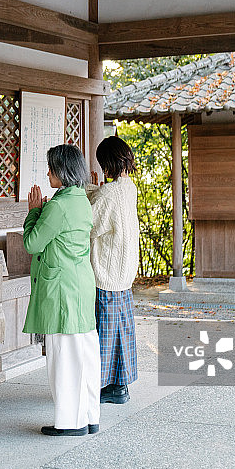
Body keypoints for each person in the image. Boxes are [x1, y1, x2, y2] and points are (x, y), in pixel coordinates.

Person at [22, 144, 100, 436]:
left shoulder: (57, 206)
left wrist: (33, 213)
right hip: (80, 284)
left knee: (64, 358)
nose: (48, 173)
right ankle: (90, 417)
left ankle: (70, 422)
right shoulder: (81, 200)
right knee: (85, 355)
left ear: (62, 171)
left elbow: (32, 244)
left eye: (51, 168)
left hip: (61, 289)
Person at [87, 136, 139, 404]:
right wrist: (95, 188)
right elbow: (105, 200)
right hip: (124, 272)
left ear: (106, 164)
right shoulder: (129, 188)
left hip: (107, 272)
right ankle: (120, 386)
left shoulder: (107, 194)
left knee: (104, 333)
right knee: (121, 329)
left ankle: (104, 385)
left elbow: (89, 224)